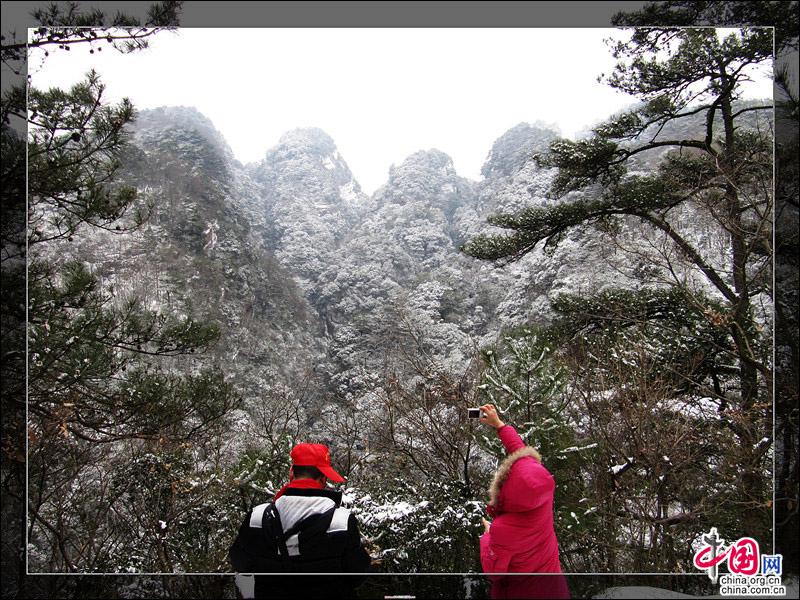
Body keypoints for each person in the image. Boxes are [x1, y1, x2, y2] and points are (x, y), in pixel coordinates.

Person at [229, 442, 371, 599]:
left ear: (291, 473)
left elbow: (240, 562)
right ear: (323, 479)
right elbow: (358, 574)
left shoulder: (258, 518)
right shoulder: (341, 522)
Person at [478, 404, 570, 599]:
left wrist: (487, 537)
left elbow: (494, 571)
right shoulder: (542, 496)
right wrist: (500, 425)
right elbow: (522, 455)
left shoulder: (502, 528)